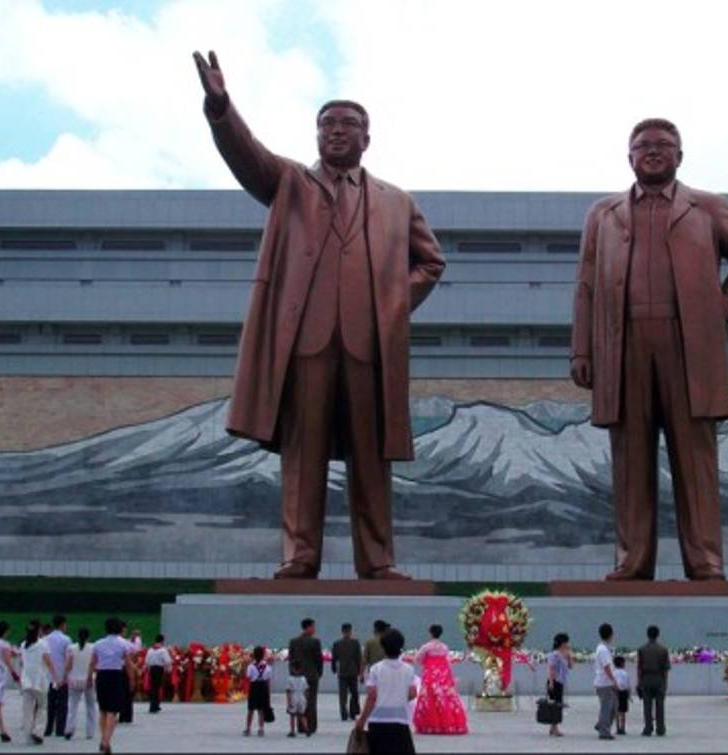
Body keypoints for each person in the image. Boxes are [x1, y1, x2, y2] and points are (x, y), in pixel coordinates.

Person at [192, 51, 446, 582]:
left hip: (368, 347)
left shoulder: (396, 202)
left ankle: (377, 561)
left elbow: (431, 261)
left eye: (348, 125)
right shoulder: (289, 184)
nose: (336, 132)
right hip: (306, 343)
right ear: (316, 136)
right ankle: (299, 555)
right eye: (327, 124)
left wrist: (393, 308)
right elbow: (248, 156)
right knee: (302, 455)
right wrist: (221, 106)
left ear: (366, 139)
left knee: (371, 457)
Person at [570, 117, 728, 581]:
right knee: (631, 457)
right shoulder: (603, 213)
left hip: (688, 345)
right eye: (642, 145)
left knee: (695, 457)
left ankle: (705, 560)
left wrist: (725, 304)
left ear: (680, 155)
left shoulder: (708, 207)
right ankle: (632, 560)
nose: (652, 151)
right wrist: (583, 349)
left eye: (663, 145)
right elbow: (586, 284)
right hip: (625, 345)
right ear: (629, 157)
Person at [356, 628, 417, 754]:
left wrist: (362, 720)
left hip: (378, 722)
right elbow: (412, 694)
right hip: (400, 721)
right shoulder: (408, 669)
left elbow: (372, 697)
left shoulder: (376, 669)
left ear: (383, 647)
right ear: (401, 646)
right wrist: (398, 696)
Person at [88, 617, 135, 755]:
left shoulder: (98, 643)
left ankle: (103, 738)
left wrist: (89, 678)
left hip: (101, 676)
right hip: (116, 676)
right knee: (113, 711)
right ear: (120, 628)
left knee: (103, 709)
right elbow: (128, 664)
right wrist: (132, 680)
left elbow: (92, 662)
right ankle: (106, 740)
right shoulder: (123, 644)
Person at [412, 624, 468, 735]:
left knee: (430, 697)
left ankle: (430, 725)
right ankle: (449, 723)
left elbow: (417, 659)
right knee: (446, 697)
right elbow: (447, 661)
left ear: (430, 633)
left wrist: (426, 663)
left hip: (431, 674)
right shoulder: (444, 647)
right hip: (443, 675)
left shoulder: (426, 647)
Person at [18, 619, 57, 745]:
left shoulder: (23, 644)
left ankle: (28, 735)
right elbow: (48, 661)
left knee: (27, 710)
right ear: (39, 630)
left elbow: (22, 662)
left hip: (26, 680)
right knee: (42, 707)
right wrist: (56, 677)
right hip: (40, 680)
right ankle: (38, 732)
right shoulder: (43, 644)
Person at [288, 618, 324, 734]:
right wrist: (319, 672)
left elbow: (291, 659)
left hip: (297, 676)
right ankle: (311, 726)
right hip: (312, 675)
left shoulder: (293, 641)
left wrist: (293, 673)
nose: (314, 629)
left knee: (299, 702)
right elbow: (319, 660)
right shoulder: (315, 642)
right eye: (313, 626)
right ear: (308, 627)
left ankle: (301, 726)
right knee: (311, 701)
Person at [63, 627, 97, 741]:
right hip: (88, 680)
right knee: (91, 706)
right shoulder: (93, 648)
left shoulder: (71, 648)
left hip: (74, 679)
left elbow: (68, 665)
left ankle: (69, 729)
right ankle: (90, 732)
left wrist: (65, 677)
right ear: (88, 636)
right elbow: (93, 664)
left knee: (72, 706)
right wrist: (89, 677)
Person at [636, 624, 670, 737]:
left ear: (647, 635)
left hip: (646, 678)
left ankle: (648, 728)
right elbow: (665, 669)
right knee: (660, 705)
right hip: (659, 678)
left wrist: (639, 682)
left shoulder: (642, 649)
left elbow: (639, 668)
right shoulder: (663, 650)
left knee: (647, 705)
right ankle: (660, 728)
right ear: (658, 635)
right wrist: (665, 683)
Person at [42, 614, 71, 738]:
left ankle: (48, 728)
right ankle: (60, 728)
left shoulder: (45, 639)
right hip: (61, 675)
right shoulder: (66, 639)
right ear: (63, 624)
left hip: (48, 676)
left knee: (49, 704)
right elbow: (68, 658)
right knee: (62, 704)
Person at [331, 622, 363, 721]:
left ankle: (344, 714)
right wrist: (360, 671)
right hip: (353, 672)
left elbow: (334, 658)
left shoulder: (337, 644)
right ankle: (352, 713)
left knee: (343, 695)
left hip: (342, 672)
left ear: (342, 631)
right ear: (350, 631)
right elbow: (359, 658)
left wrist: (334, 668)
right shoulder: (355, 643)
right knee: (354, 693)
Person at [593, 623, 618, 740]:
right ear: (610, 634)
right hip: (604, 683)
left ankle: (601, 724)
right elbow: (606, 667)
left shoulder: (603, 648)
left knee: (612, 706)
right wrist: (614, 680)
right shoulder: (603, 649)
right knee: (607, 708)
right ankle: (604, 731)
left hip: (604, 682)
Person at [546, 633, 572, 738]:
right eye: (566, 642)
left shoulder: (565, 654)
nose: (568, 644)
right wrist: (551, 683)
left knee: (558, 705)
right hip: (555, 682)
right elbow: (551, 668)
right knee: (555, 706)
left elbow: (570, 666)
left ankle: (553, 727)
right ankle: (555, 728)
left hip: (560, 682)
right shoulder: (554, 654)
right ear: (562, 643)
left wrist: (569, 656)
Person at [244, 646, 272, 737]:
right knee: (261, 710)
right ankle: (261, 729)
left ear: (254, 655)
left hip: (254, 687)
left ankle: (248, 728)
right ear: (263, 655)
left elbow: (248, 677)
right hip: (263, 687)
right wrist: (268, 693)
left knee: (250, 709)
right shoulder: (268, 667)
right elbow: (268, 681)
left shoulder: (250, 666)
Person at [145, 634, 172, 714]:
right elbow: (167, 661)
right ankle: (154, 706)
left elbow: (147, 661)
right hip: (159, 669)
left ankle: (154, 705)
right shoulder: (163, 650)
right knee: (157, 688)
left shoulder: (150, 650)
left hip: (152, 669)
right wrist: (168, 669)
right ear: (162, 641)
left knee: (153, 687)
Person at [117, 624, 137, 724]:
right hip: (124, 669)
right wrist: (132, 678)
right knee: (127, 693)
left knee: (119, 694)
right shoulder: (126, 644)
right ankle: (126, 716)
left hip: (113, 670)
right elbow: (132, 658)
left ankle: (118, 715)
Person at [286, 660, 309, 738]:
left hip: (294, 697)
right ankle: (306, 729)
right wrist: (306, 700)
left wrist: (289, 702)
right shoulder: (303, 679)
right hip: (302, 697)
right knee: (302, 715)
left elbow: (289, 691)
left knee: (292, 715)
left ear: (293, 669)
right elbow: (306, 690)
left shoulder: (290, 679)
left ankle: (292, 731)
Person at [613, 656, 630, 735]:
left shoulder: (613, 672)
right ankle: (623, 728)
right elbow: (627, 684)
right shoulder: (625, 673)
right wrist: (629, 695)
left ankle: (617, 728)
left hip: (615, 692)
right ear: (622, 663)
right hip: (623, 693)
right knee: (623, 712)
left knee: (616, 711)